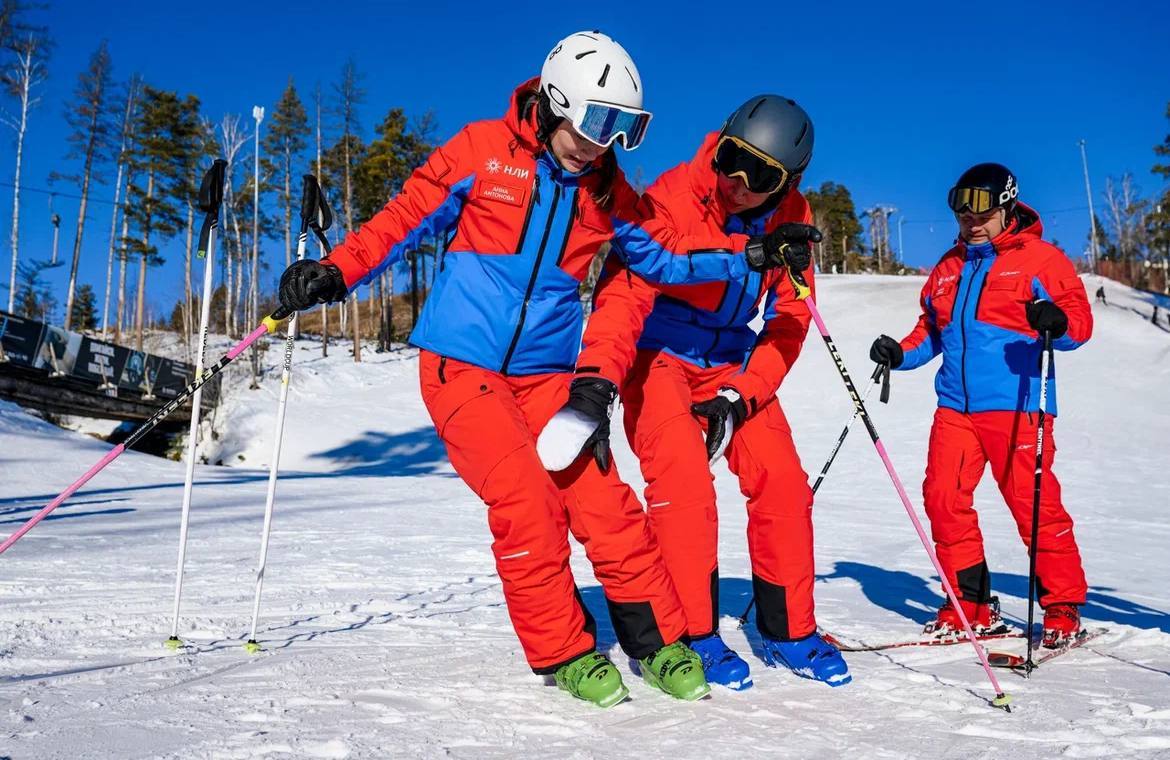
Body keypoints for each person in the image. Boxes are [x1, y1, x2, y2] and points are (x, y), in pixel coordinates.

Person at [276, 32, 785, 708]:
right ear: (557, 101)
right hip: (462, 367)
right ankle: (567, 652)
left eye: (625, 130)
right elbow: (405, 217)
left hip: (548, 377)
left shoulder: (610, 195)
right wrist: (337, 269)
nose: (604, 144)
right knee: (528, 503)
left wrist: (744, 260)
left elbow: (663, 262)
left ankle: (659, 641)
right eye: (599, 123)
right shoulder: (483, 152)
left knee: (605, 503)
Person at [540, 95, 850, 690]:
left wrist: (743, 393)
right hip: (659, 359)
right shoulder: (673, 197)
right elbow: (626, 295)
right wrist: (597, 381)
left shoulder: (793, 219)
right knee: (682, 484)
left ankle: (791, 632)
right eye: (733, 159)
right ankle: (692, 633)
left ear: (789, 183)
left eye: (761, 175)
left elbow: (789, 320)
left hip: (732, 362)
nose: (737, 182)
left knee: (782, 481)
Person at [869, 163, 1092, 648]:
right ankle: (969, 603)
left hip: (1018, 406)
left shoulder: (1040, 260)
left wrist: (1056, 320)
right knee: (943, 499)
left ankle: (1062, 606)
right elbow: (931, 332)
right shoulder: (948, 268)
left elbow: (1079, 323)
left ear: (1006, 207)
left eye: (984, 213)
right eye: (963, 212)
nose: (972, 222)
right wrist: (900, 354)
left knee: (1033, 507)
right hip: (955, 408)